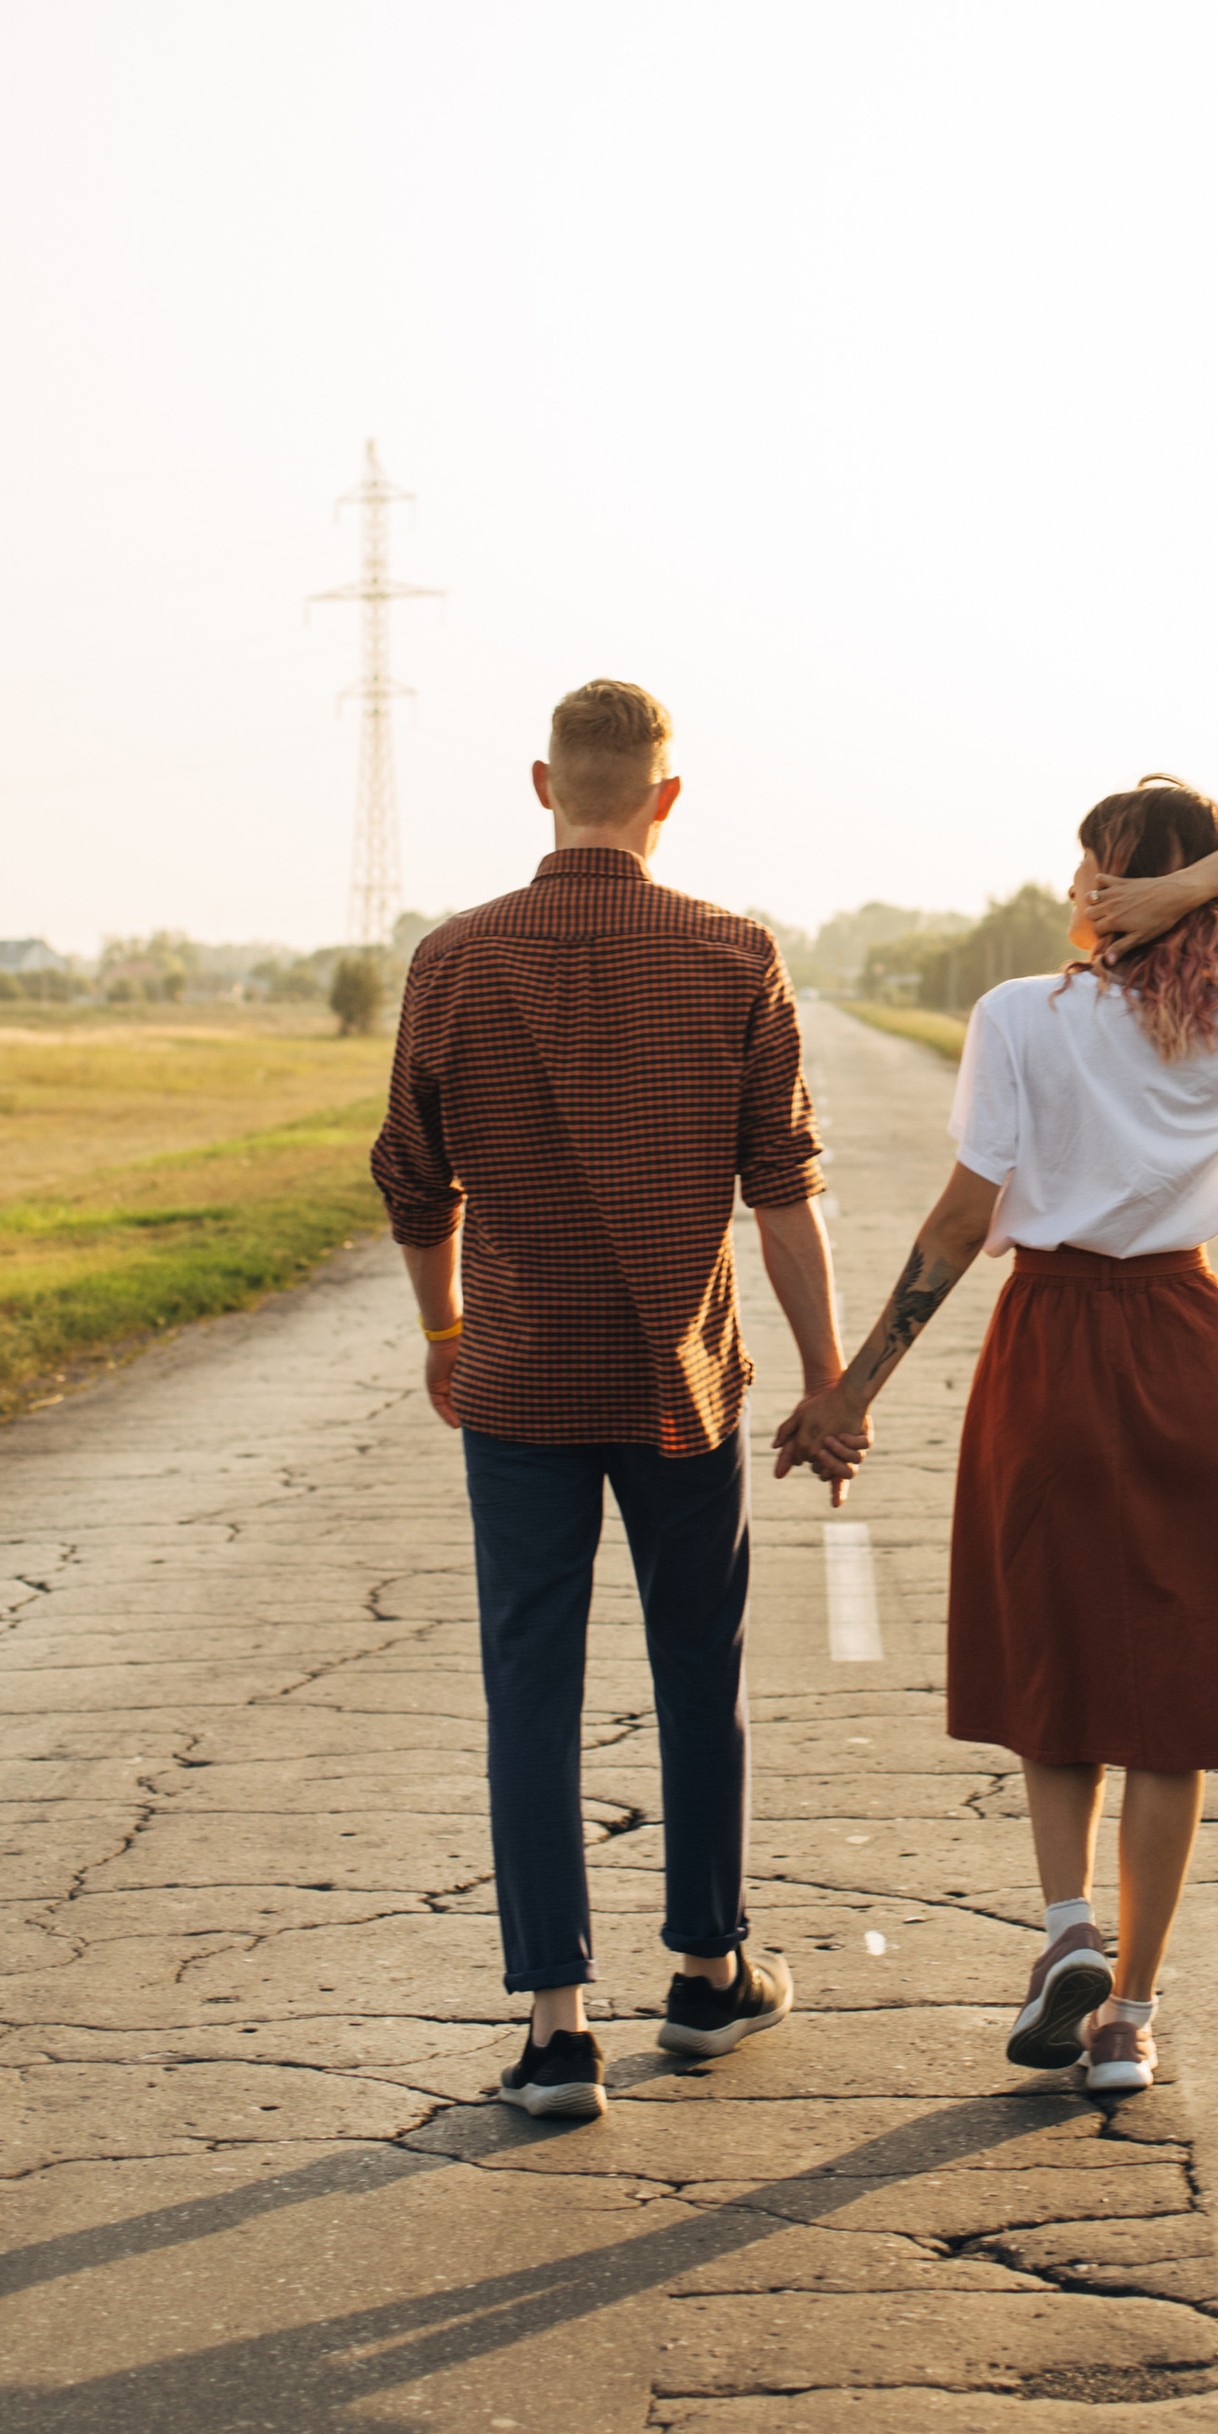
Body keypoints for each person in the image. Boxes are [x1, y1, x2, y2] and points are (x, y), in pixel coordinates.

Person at [778, 781, 1218, 2097]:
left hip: (1051, 1345)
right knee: (1174, 1700)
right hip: (1186, 1345)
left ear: (1103, 888)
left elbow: (963, 1223)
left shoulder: (1022, 1017)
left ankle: (1066, 1931)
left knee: (1058, 1648)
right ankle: (1130, 2018)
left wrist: (851, 1392)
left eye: (1091, 870)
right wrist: (1197, 886)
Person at [372, 678, 850, 2123]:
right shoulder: (732, 954)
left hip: (517, 1377)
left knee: (532, 1685)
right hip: (680, 1386)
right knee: (699, 1672)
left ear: (541, 785)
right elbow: (783, 1197)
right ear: (667, 795)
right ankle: (707, 1974)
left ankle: (556, 2029)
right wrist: (832, 1380)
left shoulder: (453, 960)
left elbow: (412, 1179)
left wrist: (445, 1329)